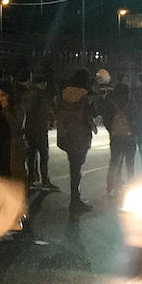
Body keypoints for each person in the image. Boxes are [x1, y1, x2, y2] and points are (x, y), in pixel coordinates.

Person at [54, 68, 98, 215]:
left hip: (66, 136)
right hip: (80, 136)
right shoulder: (85, 96)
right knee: (76, 170)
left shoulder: (63, 94)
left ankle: (75, 199)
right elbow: (91, 113)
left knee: (73, 167)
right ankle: (75, 201)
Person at [102, 82, 138, 195]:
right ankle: (132, 184)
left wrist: (111, 131)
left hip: (115, 136)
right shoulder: (131, 101)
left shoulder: (110, 103)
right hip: (129, 136)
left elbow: (106, 119)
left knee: (114, 161)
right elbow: (136, 117)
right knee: (130, 162)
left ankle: (112, 186)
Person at [23, 72, 56, 189]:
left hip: (29, 129)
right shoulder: (41, 95)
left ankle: (31, 179)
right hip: (40, 129)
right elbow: (45, 111)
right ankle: (45, 180)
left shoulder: (28, 94)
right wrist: (51, 119)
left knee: (31, 155)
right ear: (42, 84)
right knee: (44, 155)